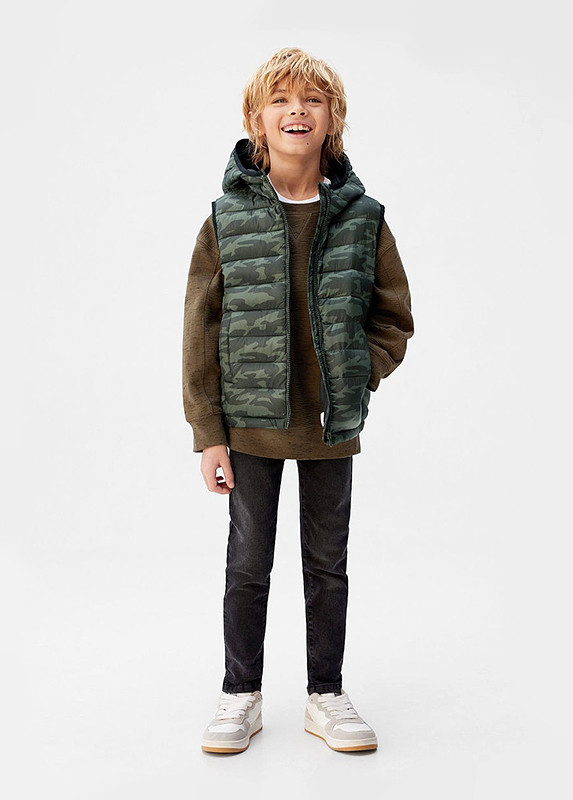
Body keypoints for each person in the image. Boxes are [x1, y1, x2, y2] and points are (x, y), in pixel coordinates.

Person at [182, 47, 414, 753]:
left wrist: (359, 373)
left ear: (332, 120)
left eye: (312, 100)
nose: (296, 111)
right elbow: (200, 330)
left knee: (327, 566)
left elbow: (393, 317)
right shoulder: (225, 220)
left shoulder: (364, 218)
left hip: (329, 426)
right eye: (280, 100)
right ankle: (240, 694)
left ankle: (325, 694)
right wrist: (207, 432)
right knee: (247, 564)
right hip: (249, 426)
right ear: (256, 120)